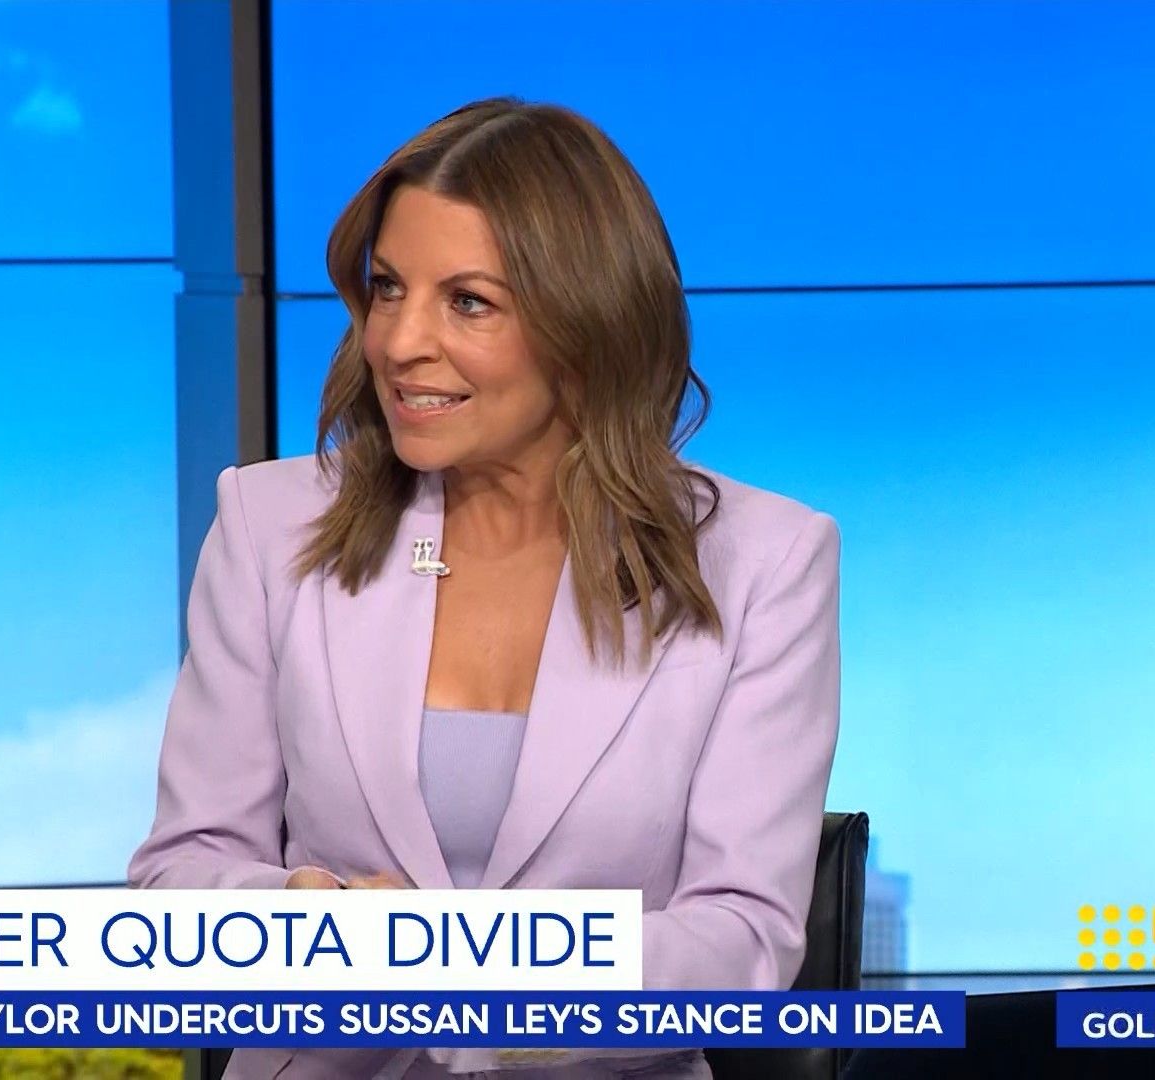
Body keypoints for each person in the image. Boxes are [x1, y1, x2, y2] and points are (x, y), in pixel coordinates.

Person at [128, 96, 840, 1080]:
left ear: (586, 325)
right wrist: (299, 921)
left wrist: (459, 970)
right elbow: (178, 879)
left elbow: (742, 944)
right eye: (387, 289)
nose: (399, 342)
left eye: (467, 302)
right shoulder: (267, 525)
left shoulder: (766, 561)